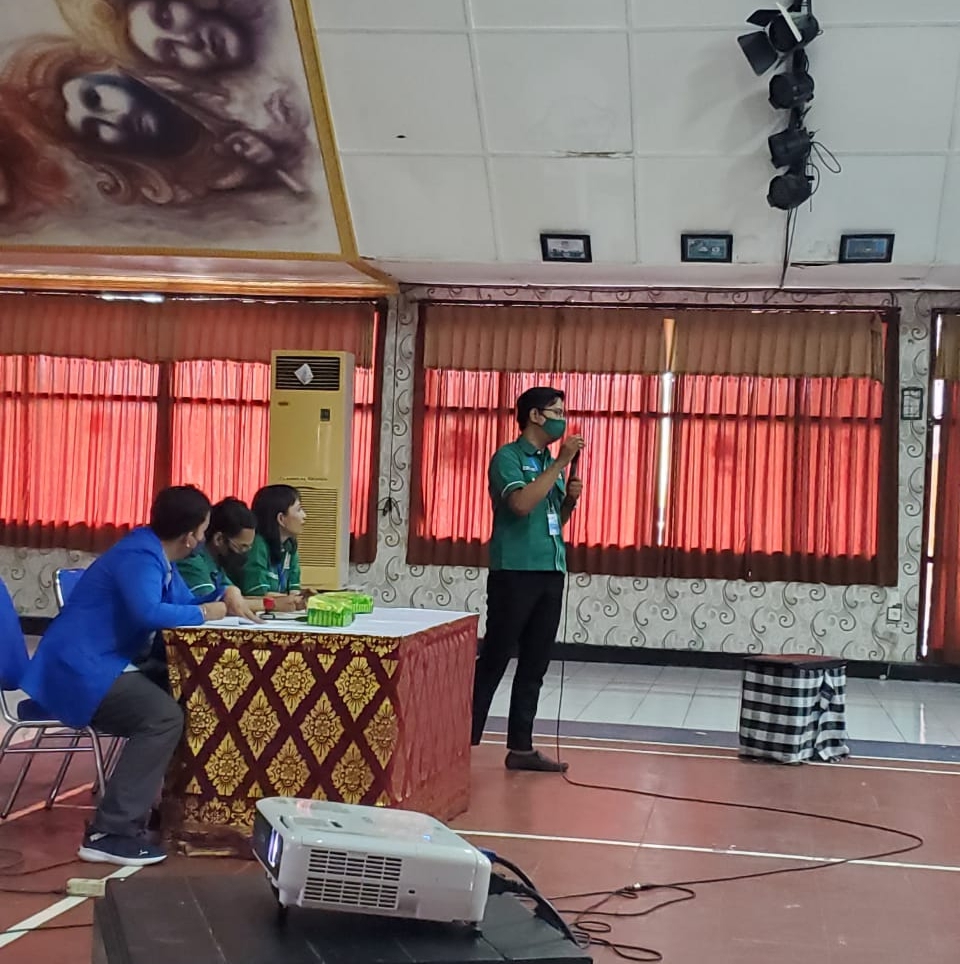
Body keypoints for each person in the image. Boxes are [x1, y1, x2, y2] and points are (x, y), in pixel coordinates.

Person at [20, 486, 228, 866]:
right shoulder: (139, 556)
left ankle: (169, 805)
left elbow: (184, 603)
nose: (202, 539)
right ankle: (110, 831)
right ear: (190, 536)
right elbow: (148, 612)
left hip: (105, 662)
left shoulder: (157, 555)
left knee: (184, 697)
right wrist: (205, 613)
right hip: (80, 669)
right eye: (203, 530)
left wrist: (224, 595)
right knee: (162, 717)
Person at [471, 387, 585, 772]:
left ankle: (521, 748)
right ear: (535, 415)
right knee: (496, 657)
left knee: (535, 664)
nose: (562, 420)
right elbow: (520, 505)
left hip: (550, 571)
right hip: (515, 572)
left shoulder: (550, 463)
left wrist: (568, 501)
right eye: (557, 412)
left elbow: (553, 521)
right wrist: (561, 464)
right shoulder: (509, 457)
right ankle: (460, 738)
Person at [175, 496, 261, 621]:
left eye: (249, 548)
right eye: (242, 547)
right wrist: (272, 604)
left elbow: (236, 600)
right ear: (219, 539)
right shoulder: (191, 559)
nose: (246, 553)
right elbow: (220, 604)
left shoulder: (218, 565)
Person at [238, 484, 310, 611]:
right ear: (281, 519)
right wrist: (294, 600)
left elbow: (293, 591)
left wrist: (302, 597)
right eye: (299, 510)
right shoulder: (257, 546)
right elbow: (257, 595)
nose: (305, 515)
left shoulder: (289, 546)